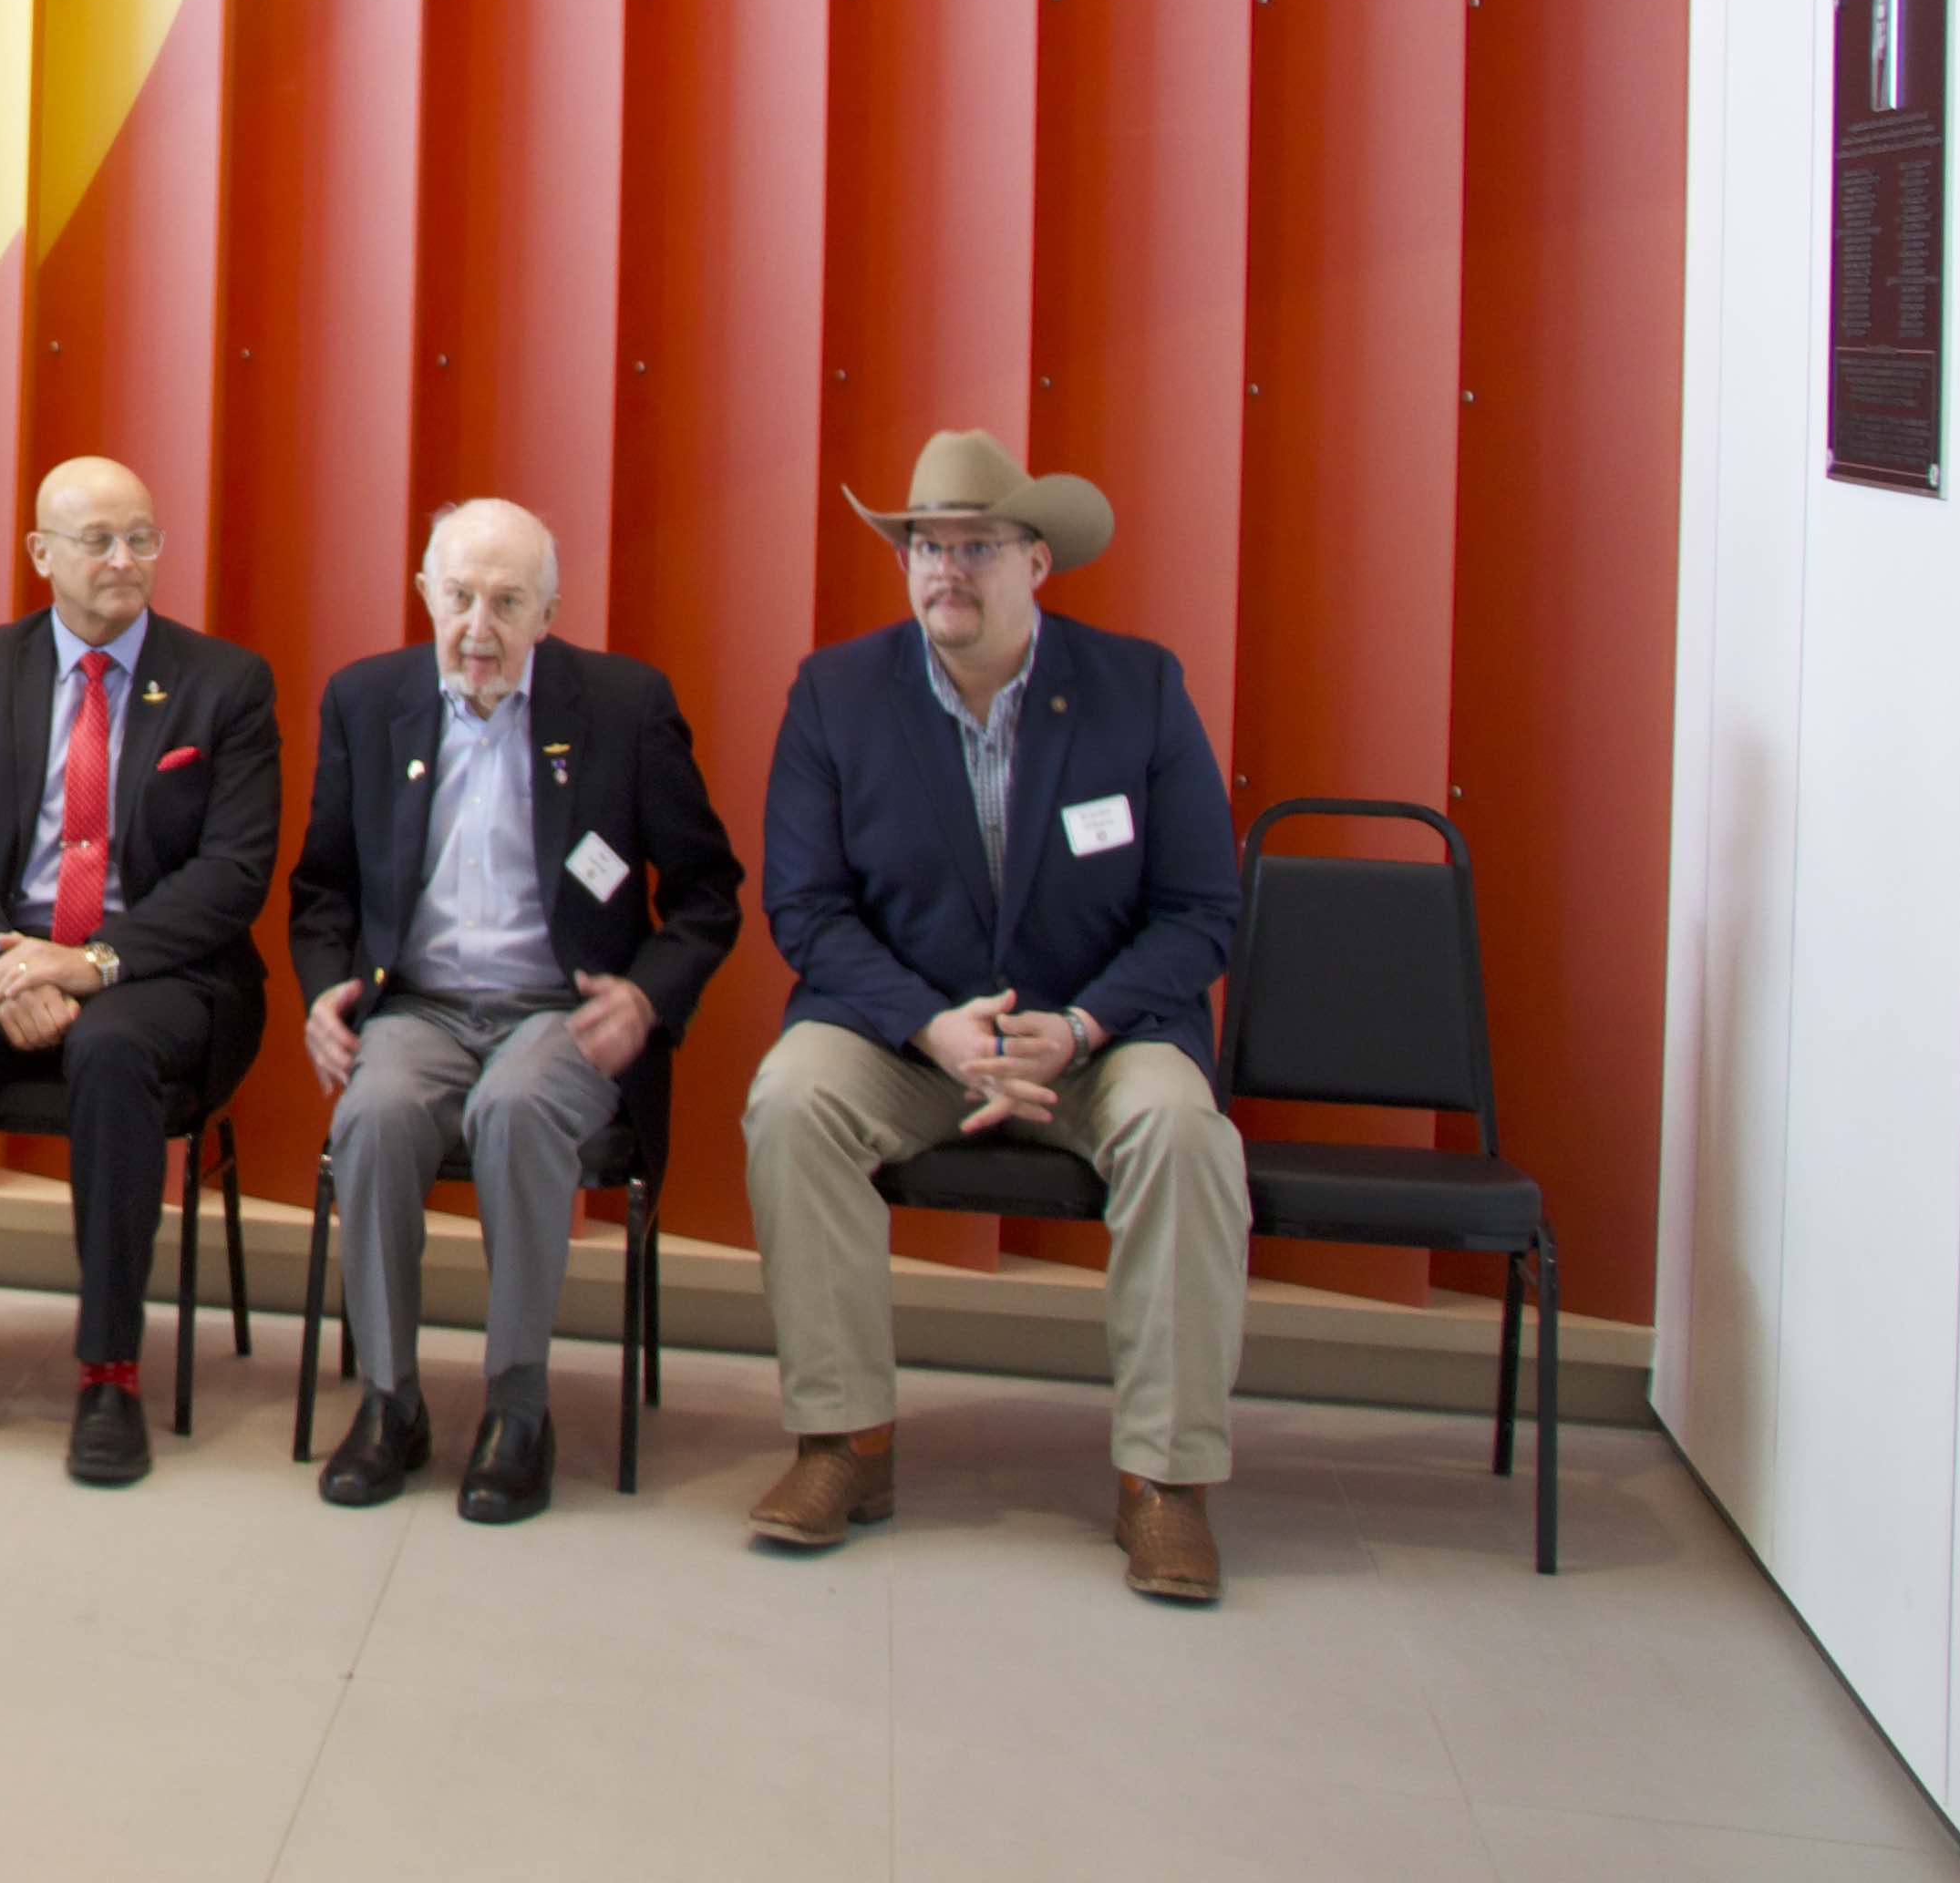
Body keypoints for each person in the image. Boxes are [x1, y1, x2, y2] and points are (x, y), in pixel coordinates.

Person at [742, 430, 1245, 1602]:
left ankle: (1164, 1484)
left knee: (1183, 1132)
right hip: (907, 1033)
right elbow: (806, 908)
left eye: (974, 546)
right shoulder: (837, 692)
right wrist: (934, 1027)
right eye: (925, 544)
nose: (944, 571)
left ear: (1037, 563)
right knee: (792, 1098)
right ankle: (844, 1446)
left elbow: (1198, 910)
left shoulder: (1140, 689)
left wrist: (1077, 1029)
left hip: (1098, 1037)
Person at [284, 498, 741, 1522]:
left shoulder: (623, 707)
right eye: (457, 597)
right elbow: (323, 890)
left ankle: (517, 1405)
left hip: (560, 1007)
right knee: (373, 1113)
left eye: (506, 601)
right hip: (422, 1005)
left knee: (517, 1110)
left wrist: (649, 995)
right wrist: (326, 994)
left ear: (550, 611)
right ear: (424, 596)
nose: (477, 629)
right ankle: (391, 1400)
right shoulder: (367, 700)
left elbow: (708, 892)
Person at [0, 458, 275, 1486]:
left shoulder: (224, 683)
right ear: (41, 555)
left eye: (144, 537)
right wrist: (4, 960)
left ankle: (109, 1370)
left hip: (160, 962)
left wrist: (89, 964)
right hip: (3, 944)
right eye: (99, 540)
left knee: (115, 1054)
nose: (127, 560)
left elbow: (232, 876)